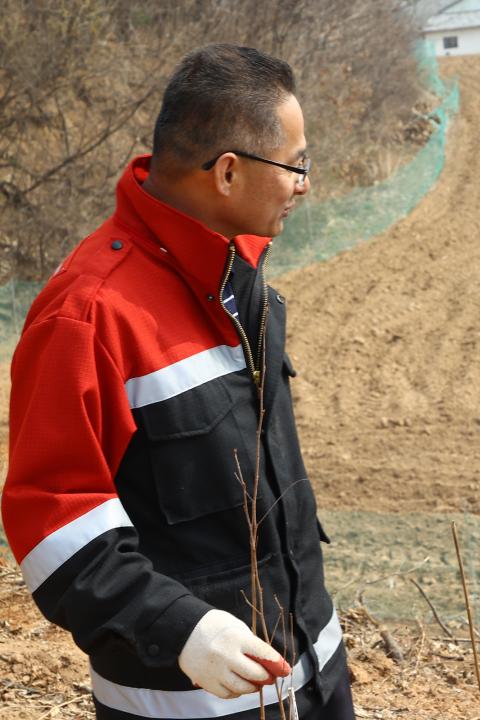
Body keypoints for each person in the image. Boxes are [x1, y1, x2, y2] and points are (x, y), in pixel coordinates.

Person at [1, 45, 353, 719]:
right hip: (189, 705)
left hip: (316, 676)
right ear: (226, 173)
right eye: (296, 165)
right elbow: (55, 524)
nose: (304, 184)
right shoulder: (88, 316)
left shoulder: (238, 278)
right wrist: (183, 629)